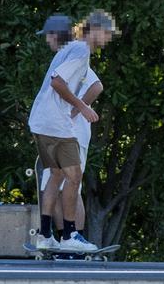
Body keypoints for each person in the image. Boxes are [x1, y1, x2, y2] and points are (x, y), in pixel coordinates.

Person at [28, 11, 117, 251]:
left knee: (56, 175)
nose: (107, 40)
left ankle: (45, 236)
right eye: (107, 34)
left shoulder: (66, 52)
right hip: (56, 123)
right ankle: (69, 237)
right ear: (95, 30)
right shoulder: (81, 50)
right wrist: (80, 108)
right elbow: (58, 83)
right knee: (73, 177)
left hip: (41, 121)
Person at [39, 19, 103, 241]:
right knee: (59, 186)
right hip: (62, 132)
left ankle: (74, 238)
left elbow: (97, 86)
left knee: (68, 186)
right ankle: (66, 239)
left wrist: (76, 111)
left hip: (72, 133)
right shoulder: (68, 57)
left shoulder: (77, 56)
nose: (47, 41)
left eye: (48, 35)